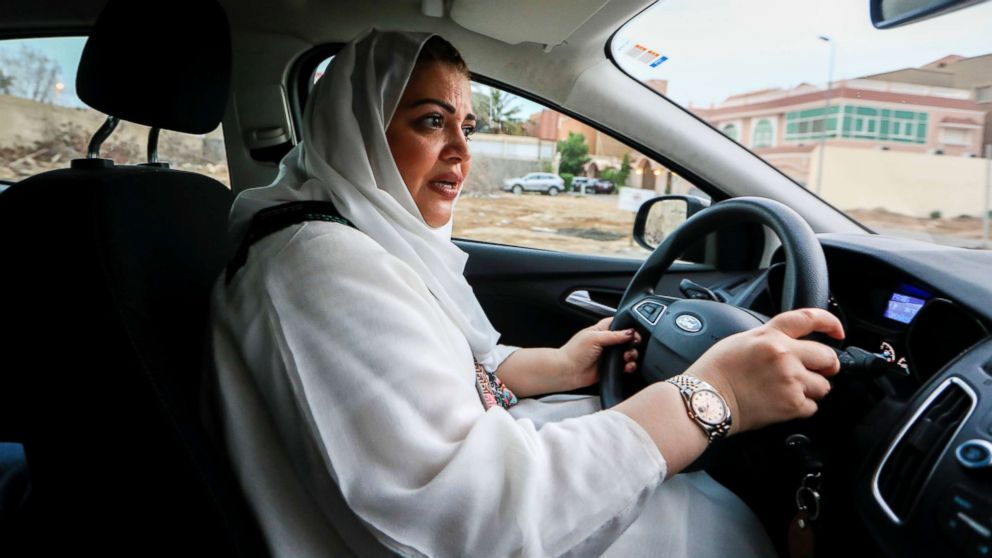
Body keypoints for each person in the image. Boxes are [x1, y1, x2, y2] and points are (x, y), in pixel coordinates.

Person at [208, 29, 844, 557]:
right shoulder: (317, 265)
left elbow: (443, 367)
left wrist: (561, 366)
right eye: (431, 121)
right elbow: (471, 517)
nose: (461, 150)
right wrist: (712, 395)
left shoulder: (354, 240)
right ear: (358, 131)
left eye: (468, 125)